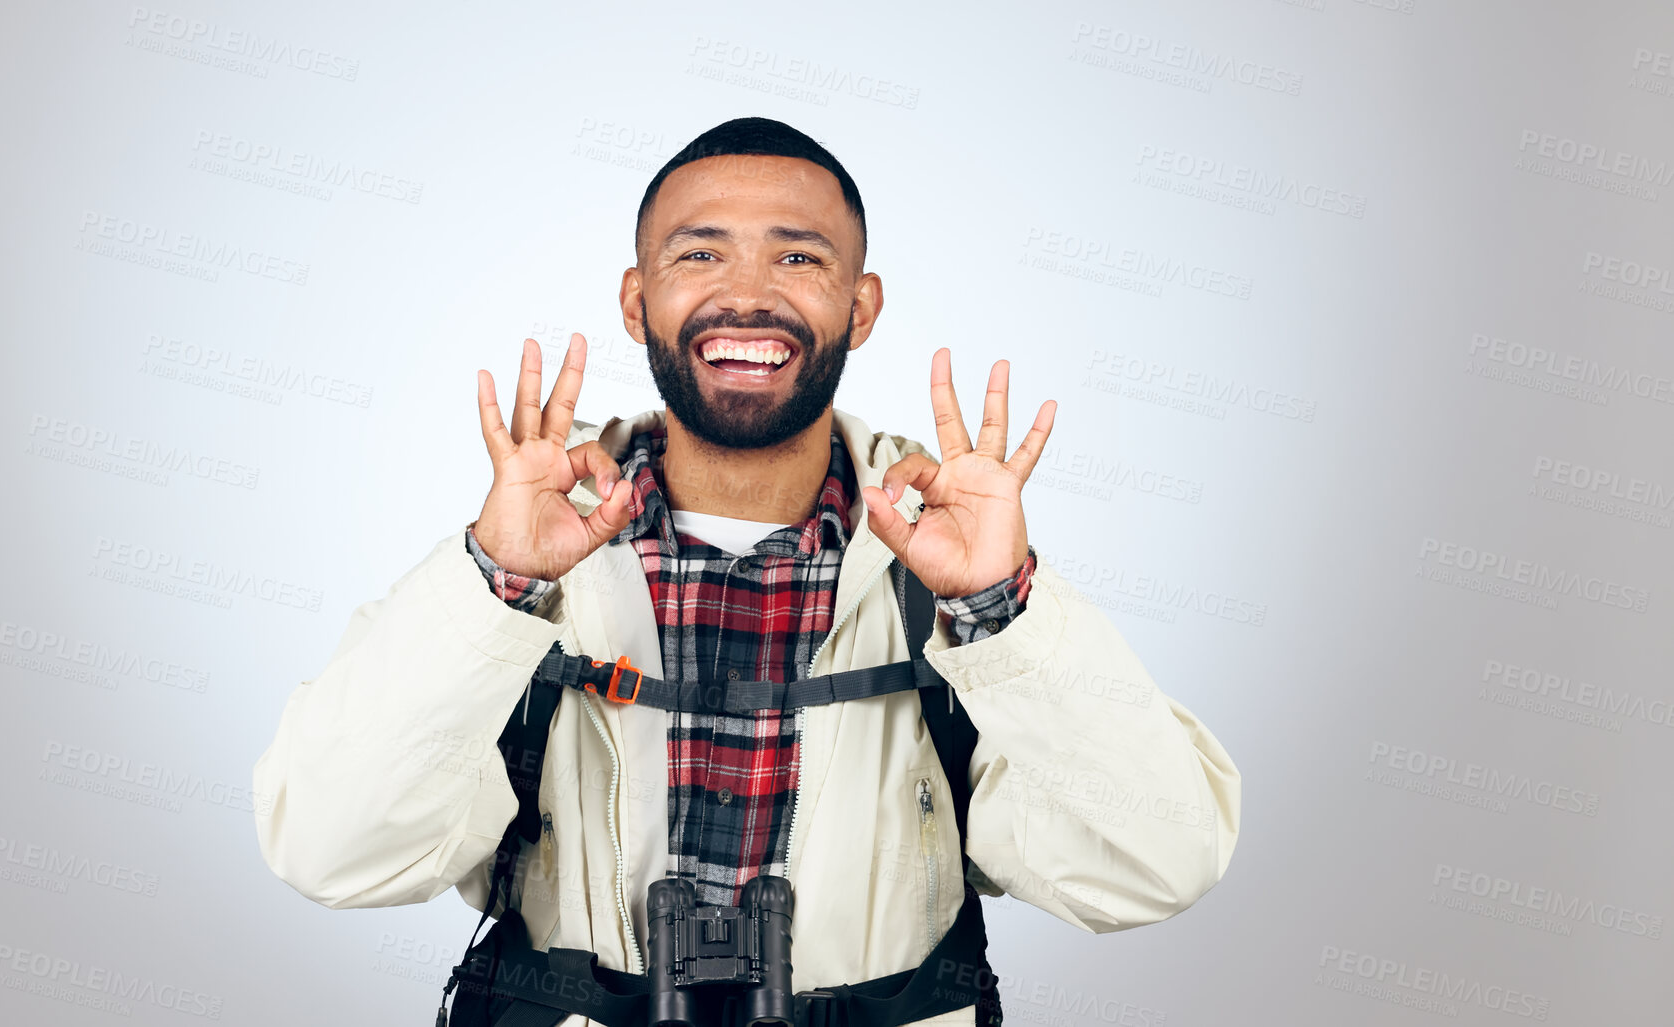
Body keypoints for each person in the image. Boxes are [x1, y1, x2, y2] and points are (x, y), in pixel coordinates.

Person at [253, 116, 1242, 1027]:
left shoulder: (940, 575)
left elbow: (1154, 868)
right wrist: (494, 584)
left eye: (798, 256)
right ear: (639, 301)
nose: (748, 292)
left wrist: (1000, 608)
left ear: (860, 309)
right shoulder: (530, 563)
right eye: (700, 252)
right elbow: (332, 852)